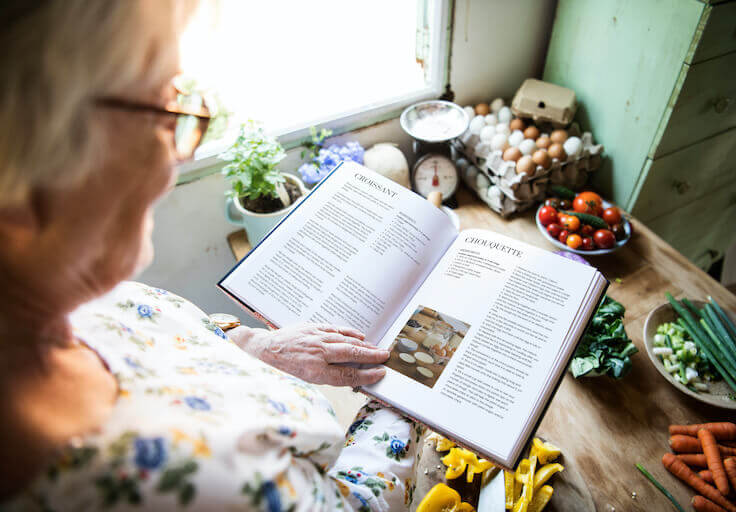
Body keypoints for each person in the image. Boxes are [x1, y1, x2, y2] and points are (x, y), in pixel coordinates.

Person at [0, 1, 422, 510]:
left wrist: (252, 345)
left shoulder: (61, 295)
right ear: (20, 162)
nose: (177, 158)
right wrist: (408, 402)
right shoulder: (182, 487)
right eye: (164, 107)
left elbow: (154, 340)